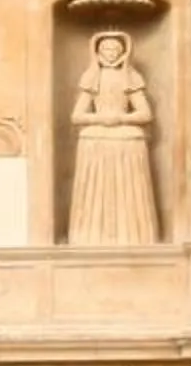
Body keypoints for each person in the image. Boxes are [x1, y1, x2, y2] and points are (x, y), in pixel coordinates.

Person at [68, 29, 159, 245]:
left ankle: (134, 234)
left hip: (124, 132)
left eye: (115, 49)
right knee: (90, 137)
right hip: (98, 133)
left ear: (123, 51)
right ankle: (89, 235)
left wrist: (120, 117)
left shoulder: (131, 77)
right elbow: (77, 116)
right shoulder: (91, 77)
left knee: (134, 136)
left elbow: (145, 113)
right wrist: (101, 118)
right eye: (106, 49)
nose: (110, 53)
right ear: (98, 51)